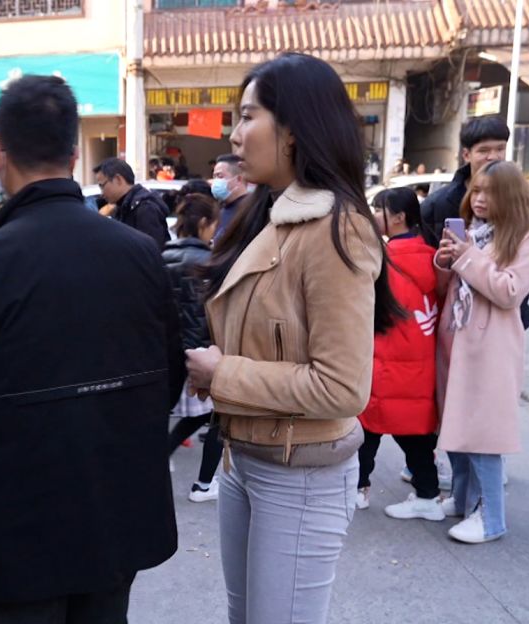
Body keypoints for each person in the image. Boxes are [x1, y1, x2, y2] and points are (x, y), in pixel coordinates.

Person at [0, 76, 184, 623]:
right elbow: (169, 380)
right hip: (116, 516)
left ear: (0, 155)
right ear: (74, 153)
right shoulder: (140, 253)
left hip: (14, 535)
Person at [184, 53, 404, 624]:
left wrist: (221, 375)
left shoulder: (337, 227)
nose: (234, 134)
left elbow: (342, 386)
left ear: (292, 130)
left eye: (248, 116)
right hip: (245, 457)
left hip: (301, 475)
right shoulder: (266, 215)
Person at [434, 160, 529, 544]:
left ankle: (492, 517)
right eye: (475, 190)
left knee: (483, 435)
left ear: (509, 196)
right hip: (459, 340)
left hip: (491, 345)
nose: (478, 199)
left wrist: (466, 258)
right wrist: (448, 260)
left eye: (488, 192)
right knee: (458, 427)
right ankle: (464, 500)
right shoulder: (477, 233)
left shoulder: (525, 236)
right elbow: (458, 283)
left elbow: (510, 290)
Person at [420, 115, 529, 329]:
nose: (493, 156)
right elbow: (425, 258)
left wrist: (524, 282)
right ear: (466, 154)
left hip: (502, 319)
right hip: (452, 318)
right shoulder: (438, 204)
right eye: (484, 151)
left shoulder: (524, 200)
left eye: (500, 149)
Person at [355, 188, 443, 520]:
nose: (375, 215)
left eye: (380, 209)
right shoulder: (432, 257)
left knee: (366, 429)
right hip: (419, 361)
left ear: (398, 217)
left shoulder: (383, 260)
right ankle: (428, 494)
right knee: (415, 433)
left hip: (386, 361)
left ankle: (358, 489)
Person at [163, 193, 223, 503]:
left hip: (170, 353)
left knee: (202, 417)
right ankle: (203, 484)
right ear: (203, 223)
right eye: (213, 224)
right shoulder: (210, 263)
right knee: (218, 419)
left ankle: (160, 457)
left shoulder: (160, 257)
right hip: (203, 353)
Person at [93, 157, 171, 248]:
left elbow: (151, 251)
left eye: (102, 186)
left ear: (118, 179)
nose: (102, 193)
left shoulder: (145, 208)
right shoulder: (123, 207)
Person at [211, 154, 248, 240]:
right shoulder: (219, 211)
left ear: (238, 179)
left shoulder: (251, 210)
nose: (216, 181)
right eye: (214, 177)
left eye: (220, 176)